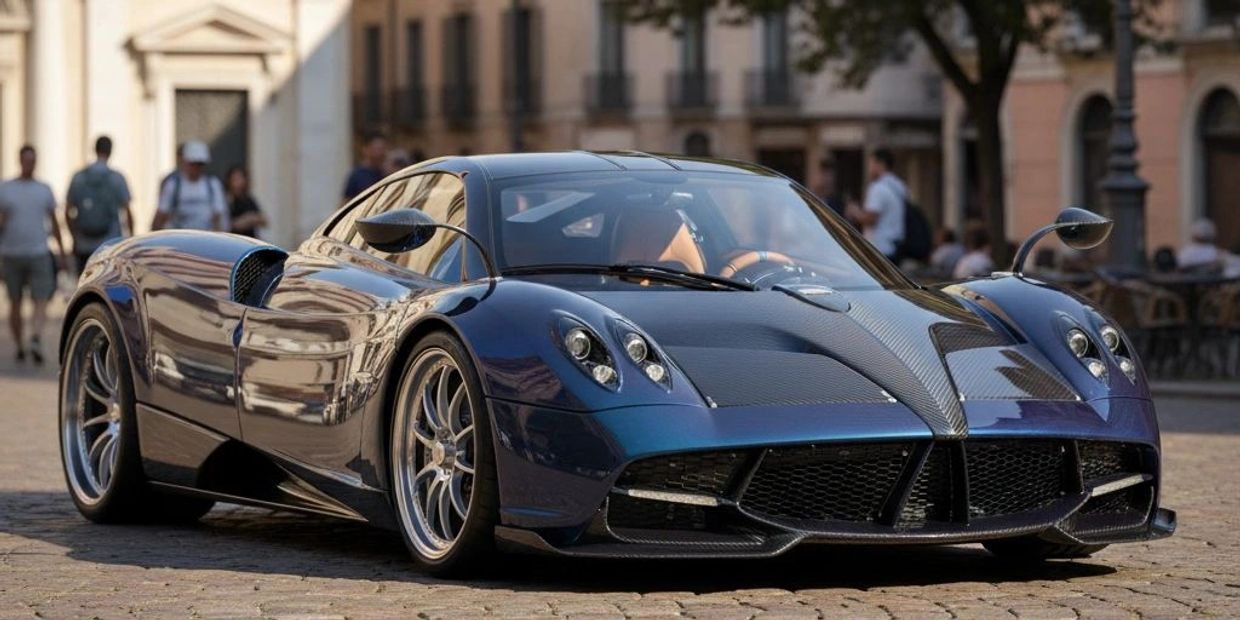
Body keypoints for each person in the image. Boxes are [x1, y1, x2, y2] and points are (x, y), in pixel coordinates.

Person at [0, 145, 69, 364]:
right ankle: (20, 343)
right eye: (26, 160)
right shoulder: (6, 189)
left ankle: (36, 337)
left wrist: (61, 251)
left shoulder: (44, 189)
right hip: (11, 253)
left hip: (38, 251)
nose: (29, 164)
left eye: (33, 161)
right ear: (20, 161)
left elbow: (55, 221)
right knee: (15, 302)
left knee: (41, 297)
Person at [65, 136, 133, 272]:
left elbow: (67, 211)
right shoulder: (117, 178)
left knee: (85, 287)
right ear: (110, 151)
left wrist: (75, 237)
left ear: (94, 149)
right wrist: (130, 241)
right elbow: (127, 212)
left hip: (83, 245)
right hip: (110, 245)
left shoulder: (78, 177)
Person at [152, 140, 227, 231]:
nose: (196, 168)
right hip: (179, 237)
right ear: (185, 162)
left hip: (205, 236)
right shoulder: (173, 185)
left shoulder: (213, 184)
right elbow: (161, 214)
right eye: (193, 164)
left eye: (199, 164)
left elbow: (218, 215)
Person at [846, 148, 906, 260]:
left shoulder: (878, 188)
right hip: (895, 246)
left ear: (880, 164)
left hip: (879, 248)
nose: (869, 168)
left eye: (871, 163)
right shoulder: (899, 186)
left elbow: (871, 218)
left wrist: (855, 212)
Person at [342, 132, 388, 200]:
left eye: (383, 149)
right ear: (366, 149)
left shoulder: (385, 173)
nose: (381, 153)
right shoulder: (357, 175)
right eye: (377, 149)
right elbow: (346, 201)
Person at [225, 166, 267, 238]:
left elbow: (263, 220)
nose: (239, 182)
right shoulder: (227, 200)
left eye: (241, 178)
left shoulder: (248, 199)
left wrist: (250, 219)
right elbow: (227, 224)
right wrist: (246, 220)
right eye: (235, 179)